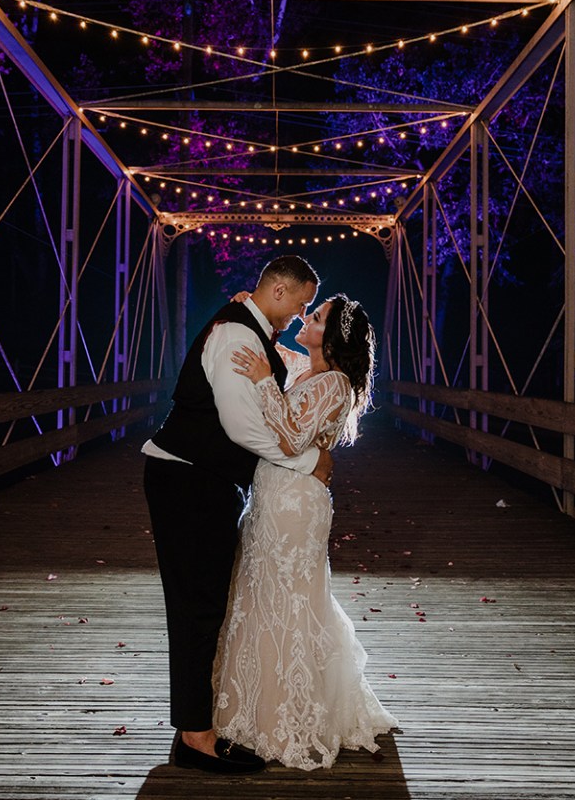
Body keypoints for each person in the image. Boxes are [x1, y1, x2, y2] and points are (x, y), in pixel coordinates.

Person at [141, 256, 333, 775]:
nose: (299, 315)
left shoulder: (253, 334)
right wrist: (310, 462)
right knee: (198, 608)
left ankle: (195, 726)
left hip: (203, 480)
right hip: (187, 479)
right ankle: (195, 739)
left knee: (205, 605)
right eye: (300, 304)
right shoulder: (236, 336)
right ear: (278, 291)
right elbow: (243, 428)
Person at [213, 293, 398, 770]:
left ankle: (290, 715)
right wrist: (248, 308)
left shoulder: (334, 383)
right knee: (261, 595)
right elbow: (267, 345)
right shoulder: (306, 369)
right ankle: (254, 702)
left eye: (314, 317)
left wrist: (263, 382)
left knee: (290, 599)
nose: (304, 317)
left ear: (329, 339)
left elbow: (292, 437)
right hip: (271, 494)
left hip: (295, 504)